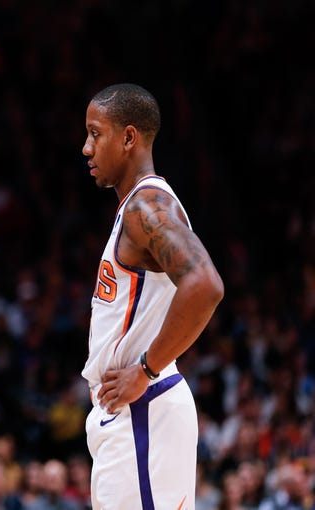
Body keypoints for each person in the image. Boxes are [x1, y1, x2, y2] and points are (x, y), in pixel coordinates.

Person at [80, 83, 224, 509]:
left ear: (128, 138)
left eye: (95, 133)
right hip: (132, 413)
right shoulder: (136, 209)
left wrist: (144, 369)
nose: (86, 148)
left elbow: (205, 284)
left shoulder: (147, 208)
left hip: (144, 409)